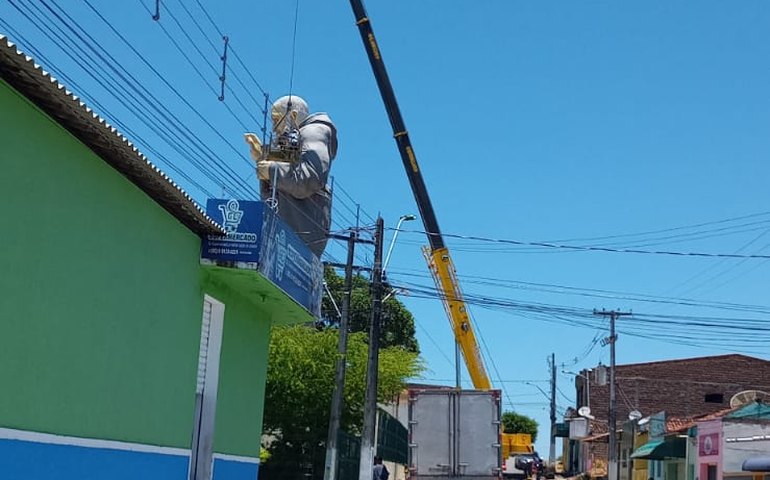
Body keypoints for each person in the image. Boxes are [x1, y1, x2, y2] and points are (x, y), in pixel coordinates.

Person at [244, 95, 338, 257]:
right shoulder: (301, 136)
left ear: (292, 115)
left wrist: (271, 170)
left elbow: (310, 177)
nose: (274, 128)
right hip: (290, 238)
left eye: (276, 120)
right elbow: (291, 160)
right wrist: (263, 155)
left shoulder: (314, 132)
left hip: (300, 237)